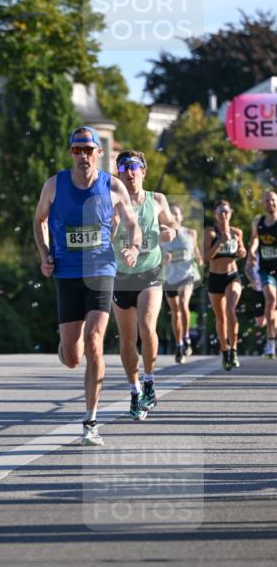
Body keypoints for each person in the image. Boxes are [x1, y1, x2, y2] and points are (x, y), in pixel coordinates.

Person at [33, 126, 141, 446]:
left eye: (88, 149)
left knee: (95, 340)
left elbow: (132, 224)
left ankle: (91, 421)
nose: (83, 155)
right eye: (77, 150)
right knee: (73, 357)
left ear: (98, 153)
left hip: (101, 270)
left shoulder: (113, 186)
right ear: (71, 154)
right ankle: (65, 347)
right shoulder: (54, 184)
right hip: (66, 273)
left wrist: (133, 247)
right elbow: (39, 219)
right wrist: (44, 254)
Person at [111, 151, 177, 419]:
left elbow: (171, 223)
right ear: (118, 174)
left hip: (149, 272)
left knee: (147, 327)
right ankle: (134, 390)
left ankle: (149, 379)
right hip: (121, 276)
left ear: (143, 171)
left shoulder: (157, 199)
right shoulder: (111, 202)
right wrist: (113, 228)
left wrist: (170, 230)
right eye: (123, 168)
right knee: (127, 341)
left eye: (133, 167)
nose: (129, 173)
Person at [203, 198, 246, 370]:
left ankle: (234, 349)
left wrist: (243, 252)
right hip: (215, 278)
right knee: (220, 318)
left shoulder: (237, 233)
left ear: (231, 214)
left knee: (230, 310)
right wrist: (220, 243)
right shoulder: (210, 233)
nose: (224, 215)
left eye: (226, 211)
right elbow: (205, 258)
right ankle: (224, 351)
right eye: (220, 211)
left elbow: (242, 251)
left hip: (232, 276)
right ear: (215, 214)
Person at [161, 203, 203, 363]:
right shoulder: (163, 237)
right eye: (171, 214)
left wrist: (199, 258)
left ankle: (186, 337)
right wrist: (164, 259)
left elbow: (196, 251)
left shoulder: (190, 233)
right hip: (170, 277)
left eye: (177, 213)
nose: (174, 216)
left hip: (187, 275)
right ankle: (179, 345)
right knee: (175, 313)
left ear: (181, 216)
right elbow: (159, 257)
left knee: (183, 304)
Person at [247, 190, 277, 359]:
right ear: (262, 204)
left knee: (273, 309)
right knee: (271, 300)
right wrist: (251, 251)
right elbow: (255, 239)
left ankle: (272, 334)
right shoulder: (258, 222)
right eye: (267, 201)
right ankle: (270, 341)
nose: (270, 203)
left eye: (273, 200)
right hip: (266, 270)